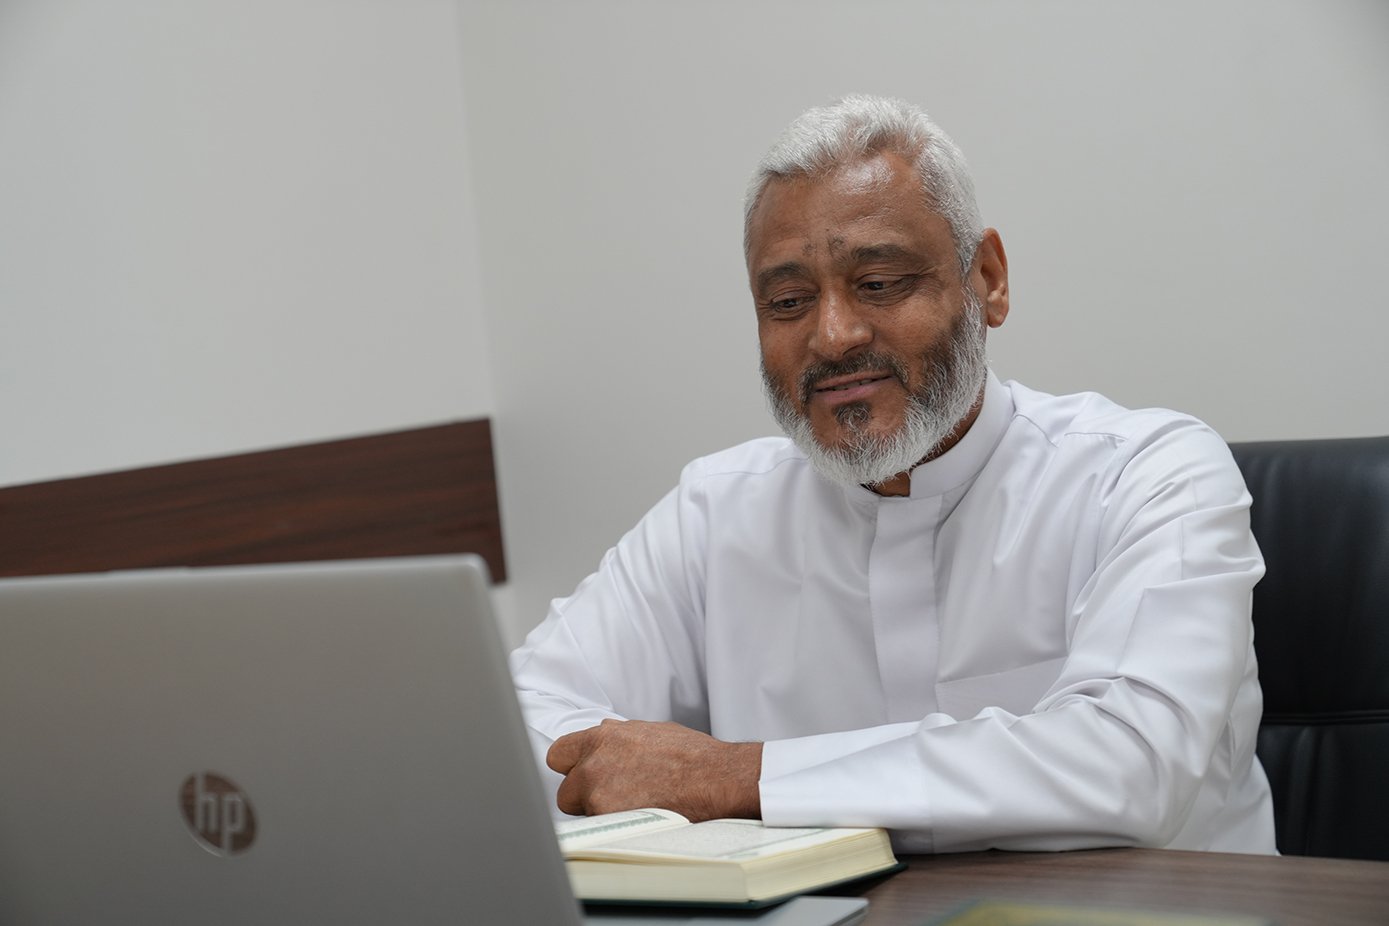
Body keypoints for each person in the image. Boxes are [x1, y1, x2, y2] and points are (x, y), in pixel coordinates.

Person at [509, 94, 1276, 854]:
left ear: (987, 280)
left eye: (878, 283)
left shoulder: (1148, 476)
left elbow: (1129, 764)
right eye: (788, 301)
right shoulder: (717, 512)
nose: (832, 335)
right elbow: (519, 717)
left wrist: (741, 777)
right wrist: (622, 772)